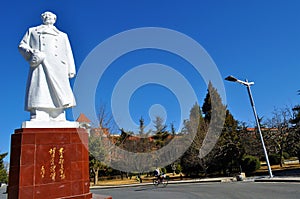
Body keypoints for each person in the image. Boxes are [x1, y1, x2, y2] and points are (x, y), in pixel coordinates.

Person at [18, 11, 76, 121]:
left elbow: (68, 52)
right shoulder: (33, 31)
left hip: (58, 65)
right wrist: (31, 52)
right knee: (41, 87)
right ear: (42, 18)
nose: (48, 18)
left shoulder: (62, 35)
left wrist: (71, 68)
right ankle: (40, 113)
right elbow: (22, 45)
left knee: (59, 90)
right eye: (46, 16)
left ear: (54, 19)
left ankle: (58, 114)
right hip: (40, 64)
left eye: (50, 16)